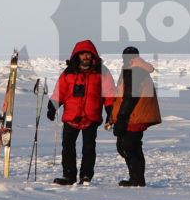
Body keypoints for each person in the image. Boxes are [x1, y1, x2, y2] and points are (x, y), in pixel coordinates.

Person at [47, 40, 114, 185]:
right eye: (83, 54)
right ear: (77, 56)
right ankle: (69, 176)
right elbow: (60, 92)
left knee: (89, 148)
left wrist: (110, 111)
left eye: (88, 54)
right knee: (68, 147)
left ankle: (86, 176)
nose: (85, 57)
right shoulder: (68, 73)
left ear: (93, 55)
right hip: (72, 116)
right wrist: (52, 107)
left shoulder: (102, 72)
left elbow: (109, 93)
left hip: (91, 116)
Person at [107, 45, 161, 186]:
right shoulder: (137, 69)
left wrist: (121, 119)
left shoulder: (135, 70)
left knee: (128, 147)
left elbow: (130, 97)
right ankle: (137, 178)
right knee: (131, 147)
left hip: (134, 117)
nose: (127, 59)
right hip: (135, 116)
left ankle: (137, 179)